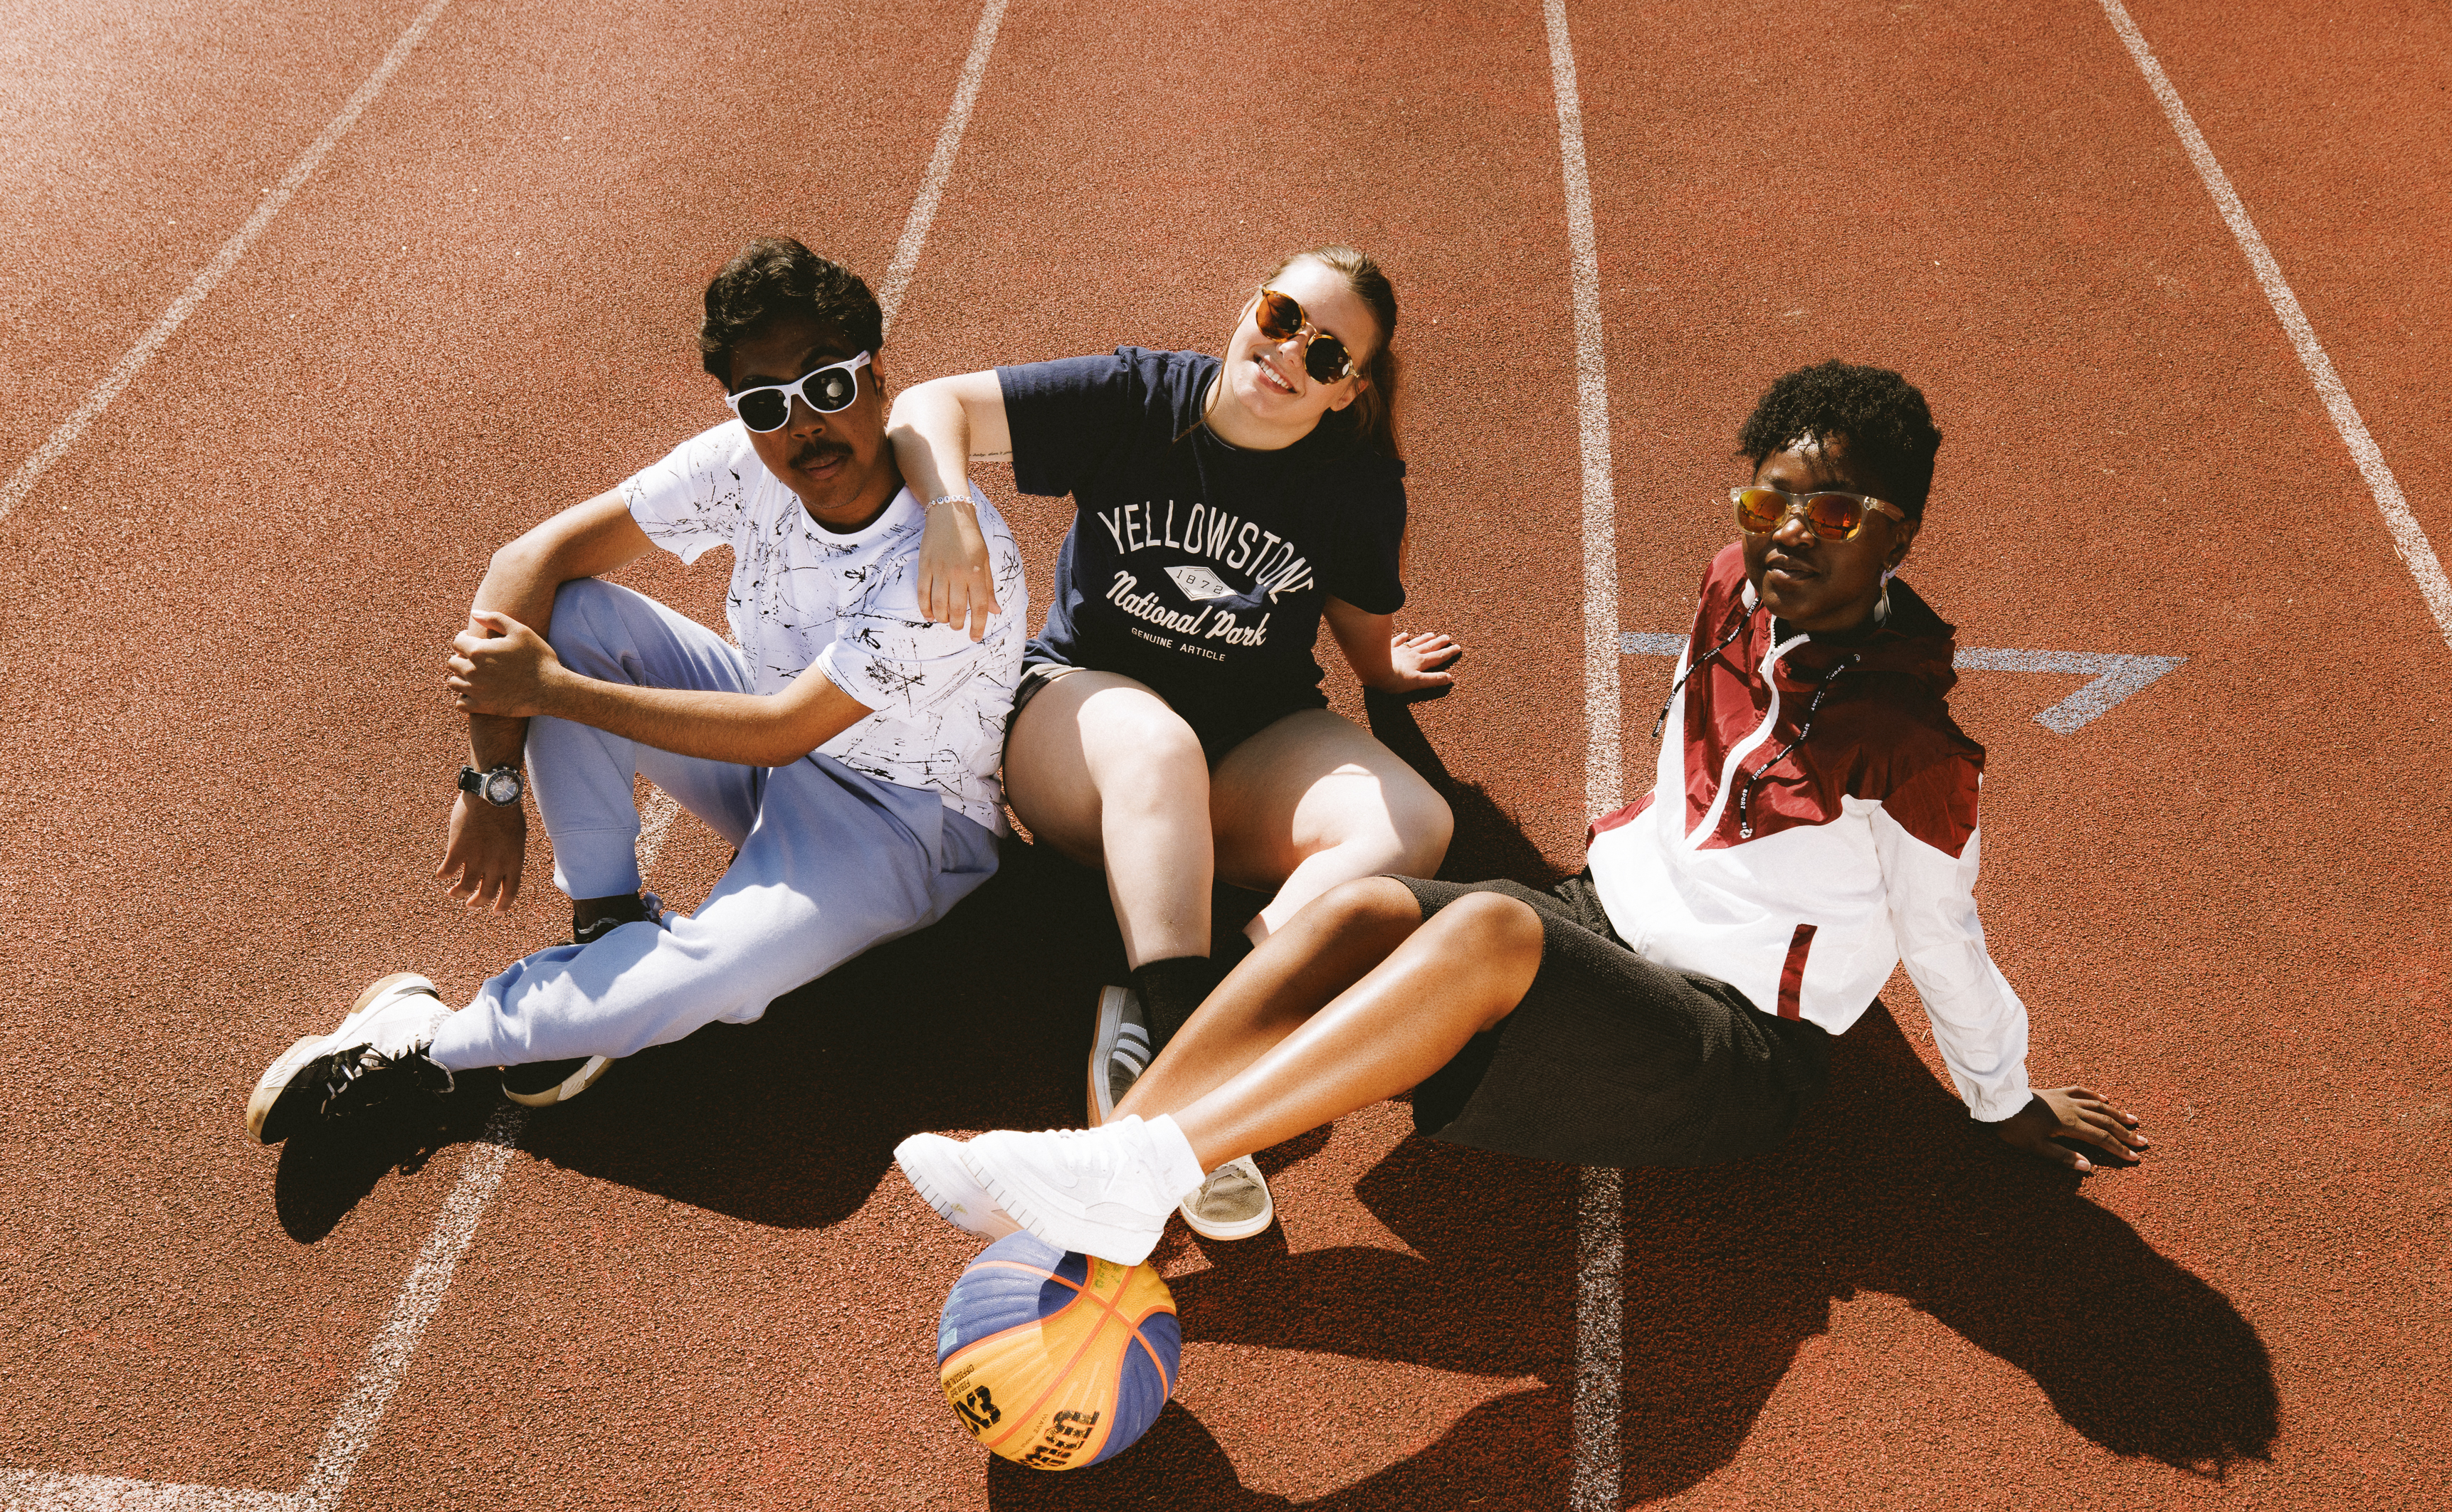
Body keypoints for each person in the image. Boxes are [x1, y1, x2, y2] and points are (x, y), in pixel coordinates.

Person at [893, 360, 2148, 1265]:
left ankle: (1138, 1166)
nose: (1786, 539)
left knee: (1490, 930)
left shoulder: (1913, 747)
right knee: (1367, 911)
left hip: (1734, 1045)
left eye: (1835, 518)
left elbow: (1945, 935)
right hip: (1606, 921)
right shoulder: (1728, 583)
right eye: (1767, 501)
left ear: (1900, 534)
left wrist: (2003, 1095)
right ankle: (1123, 1154)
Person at [246, 236, 1026, 1143]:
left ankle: (423, 1038)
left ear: (877, 376)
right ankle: (608, 916)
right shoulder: (747, 460)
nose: (803, 424)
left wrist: (554, 693)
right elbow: (528, 560)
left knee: (719, 985)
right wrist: (491, 781)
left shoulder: (953, 564)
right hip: (775, 738)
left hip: (903, 821)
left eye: (827, 385)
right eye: (767, 403)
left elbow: (780, 728)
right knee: (569, 613)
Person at [885, 245, 1462, 1241]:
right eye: (1281, 315)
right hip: (1082, 729)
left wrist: (1386, 674)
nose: (1287, 351)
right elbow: (926, 407)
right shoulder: (1138, 397)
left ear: (1346, 391)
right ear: (1249, 305)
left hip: (1247, 740)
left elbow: (1360, 624)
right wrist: (950, 513)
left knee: (1418, 823)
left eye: (1326, 355)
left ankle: (1165, 1020)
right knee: (1157, 751)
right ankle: (1194, 1093)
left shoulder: (1357, 481)